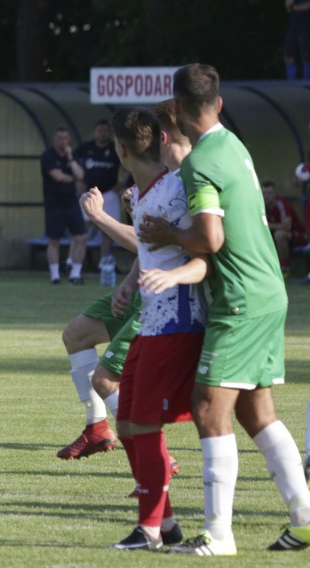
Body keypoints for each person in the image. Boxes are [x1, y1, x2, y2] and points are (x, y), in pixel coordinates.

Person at [139, 63, 310, 554]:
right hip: (268, 290)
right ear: (219, 103)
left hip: (239, 300)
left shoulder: (200, 162)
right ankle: (303, 518)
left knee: (209, 410)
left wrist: (169, 234)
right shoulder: (233, 143)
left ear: (176, 108)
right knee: (256, 412)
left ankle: (218, 535)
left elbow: (209, 238)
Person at [105, 107, 209, 552]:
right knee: (127, 423)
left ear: (122, 150)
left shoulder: (174, 192)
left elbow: (205, 255)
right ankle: (165, 524)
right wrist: (131, 282)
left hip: (177, 325)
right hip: (150, 324)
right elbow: (152, 250)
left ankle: (147, 529)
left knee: (145, 424)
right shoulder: (144, 194)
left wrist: (173, 277)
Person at [74, 119, 125, 272]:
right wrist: (79, 180)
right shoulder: (85, 148)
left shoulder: (114, 149)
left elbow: (128, 167)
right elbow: (71, 162)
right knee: (82, 228)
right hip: (89, 194)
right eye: (100, 130)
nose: (102, 133)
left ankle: (105, 263)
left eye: (105, 130)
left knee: (108, 229)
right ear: (95, 132)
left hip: (109, 194)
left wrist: (119, 185)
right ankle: (75, 264)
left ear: (109, 133)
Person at [40, 126, 86, 284]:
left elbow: (81, 175)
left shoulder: (72, 156)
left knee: (81, 237)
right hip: (54, 203)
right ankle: (55, 276)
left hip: (72, 202)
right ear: (54, 139)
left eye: (65, 138)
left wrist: (70, 159)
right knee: (54, 240)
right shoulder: (47, 156)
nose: (62, 141)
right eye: (59, 138)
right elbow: (57, 176)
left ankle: (75, 274)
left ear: (70, 139)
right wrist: (73, 179)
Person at [261, 180, 307, 277]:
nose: (266, 196)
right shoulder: (260, 206)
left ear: (274, 194)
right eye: (264, 193)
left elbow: (287, 226)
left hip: (298, 235)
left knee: (279, 234)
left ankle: (285, 269)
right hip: (278, 237)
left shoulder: (281, 203)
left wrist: (266, 225)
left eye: (269, 193)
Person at [284, 0, 310, 80]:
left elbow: (306, 7)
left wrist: (294, 7)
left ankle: (307, 83)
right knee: (288, 56)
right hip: (294, 27)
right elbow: (287, 6)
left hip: (306, 28)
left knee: (307, 57)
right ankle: (291, 84)